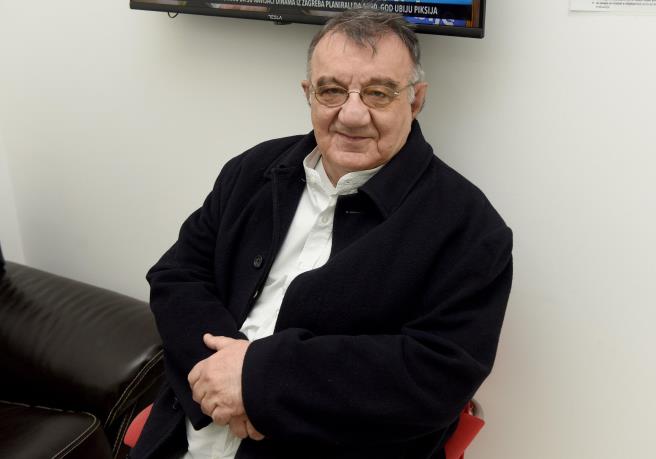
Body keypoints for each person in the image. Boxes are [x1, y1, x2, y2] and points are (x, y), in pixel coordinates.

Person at [130, 9, 512, 459]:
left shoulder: (469, 227)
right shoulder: (252, 171)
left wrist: (256, 382)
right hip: (184, 434)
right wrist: (218, 377)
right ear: (308, 94)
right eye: (331, 91)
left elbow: (435, 377)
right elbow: (177, 276)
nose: (352, 114)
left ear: (415, 101)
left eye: (378, 93)